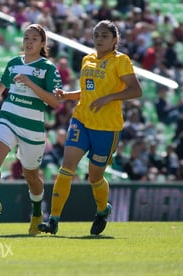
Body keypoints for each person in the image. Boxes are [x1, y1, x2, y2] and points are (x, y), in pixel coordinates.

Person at [38, 20, 143, 236]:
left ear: (115, 40)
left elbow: (135, 91)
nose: (99, 39)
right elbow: (88, 92)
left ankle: (103, 210)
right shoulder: (87, 59)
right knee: (66, 168)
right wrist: (68, 95)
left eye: (104, 35)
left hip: (107, 128)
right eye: (96, 35)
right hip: (81, 120)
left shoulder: (121, 61)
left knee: (94, 177)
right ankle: (53, 220)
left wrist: (109, 98)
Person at [0, 24, 62, 235]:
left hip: (32, 127)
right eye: (26, 38)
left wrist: (31, 83)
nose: (29, 41)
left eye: (34, 38)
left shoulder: (48, 68)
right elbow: (1, 84)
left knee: (31, 176)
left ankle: (36, 214)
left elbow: (55, 102)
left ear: (42, 43)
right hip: (8, 118)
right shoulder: (14, 63)